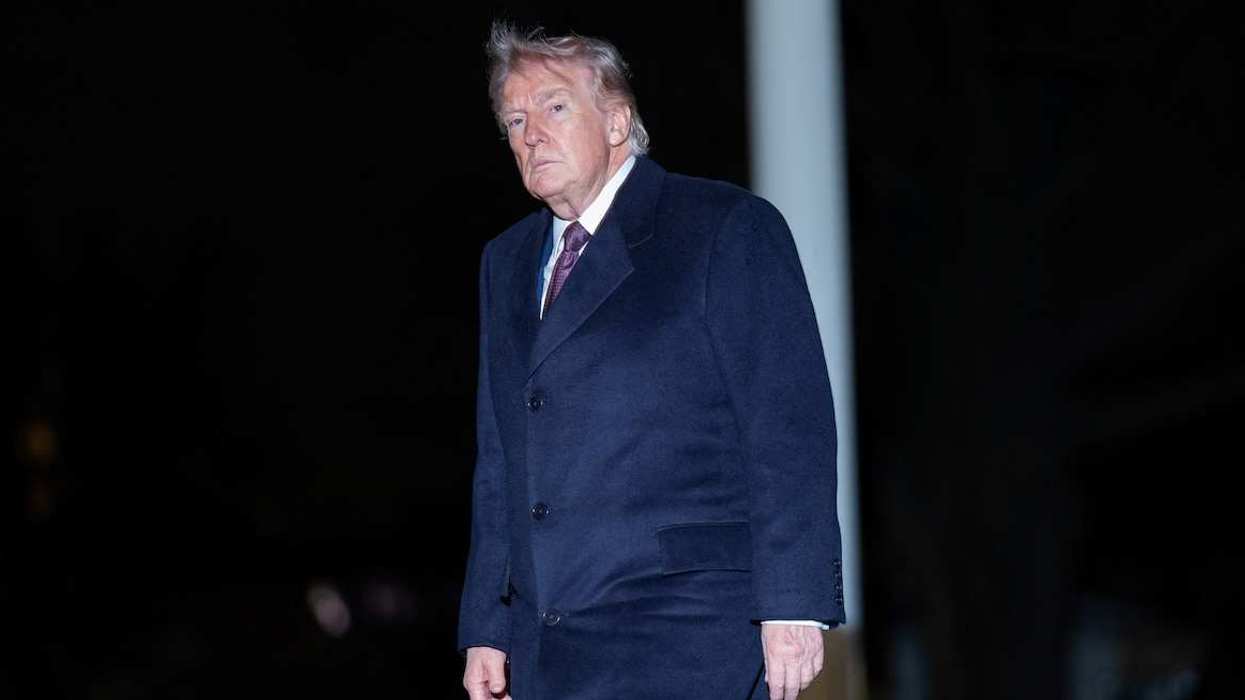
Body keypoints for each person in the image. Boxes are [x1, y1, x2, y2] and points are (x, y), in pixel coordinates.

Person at [458, 22, 844, 700]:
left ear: (616, 121)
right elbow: (501, 460)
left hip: (689, 634)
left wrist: (791, 603)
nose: (529, 133)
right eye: (513, 119)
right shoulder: (506, 261)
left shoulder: (720, 227)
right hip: (549, 648)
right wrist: (488, 626)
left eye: (553, 107)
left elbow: (787, 425)